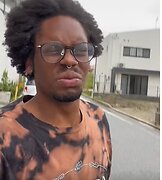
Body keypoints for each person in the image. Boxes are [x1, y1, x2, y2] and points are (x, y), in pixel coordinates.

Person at [0, 0, 112, 179]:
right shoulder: (5, 137)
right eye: (53, 49)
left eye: (81, 49)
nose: (70, 60)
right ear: (29, 62)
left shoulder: (98, 118)